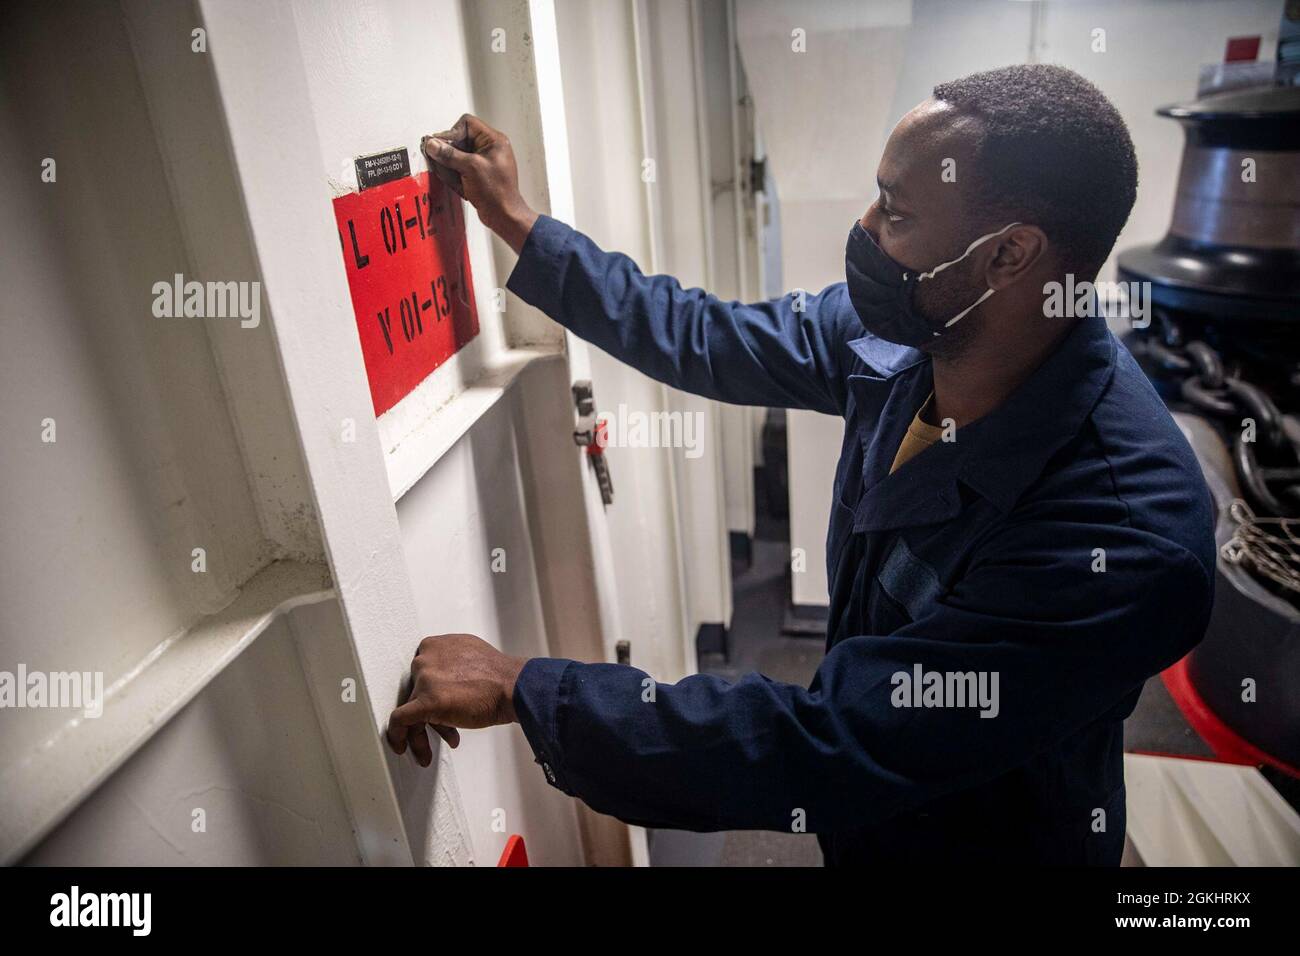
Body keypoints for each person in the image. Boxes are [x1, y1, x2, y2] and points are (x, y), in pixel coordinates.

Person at [385, 64, 1216, 865]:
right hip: (869, 830)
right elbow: (708, 335)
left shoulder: (1124, 534)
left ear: (1008, 255)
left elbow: (829, 739)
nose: (863, 229)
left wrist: (526, 689)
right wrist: (520, 225)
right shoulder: (909, 331)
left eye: (894, 210)